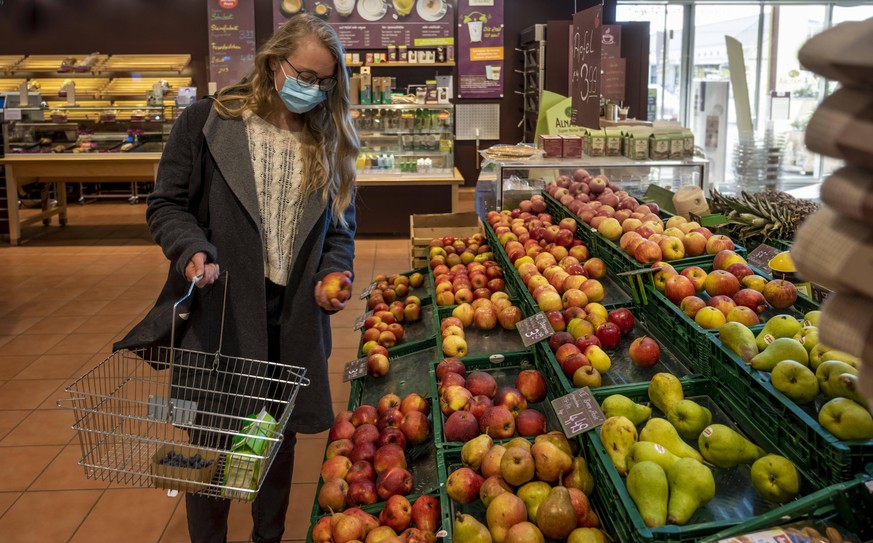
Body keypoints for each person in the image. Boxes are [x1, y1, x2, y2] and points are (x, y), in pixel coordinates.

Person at [120, 13, 358, 543]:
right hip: (221, 311)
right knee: (209, 444)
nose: (313, 90)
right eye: (305, 76)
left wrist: (332, 271)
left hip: (291, 320)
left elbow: (341, 228)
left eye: (325, 82)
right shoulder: (210, 121)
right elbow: (166, 205)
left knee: (274, 442)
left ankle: (265, 537)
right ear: (275, 64)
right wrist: (192, 250)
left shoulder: (329, 140)